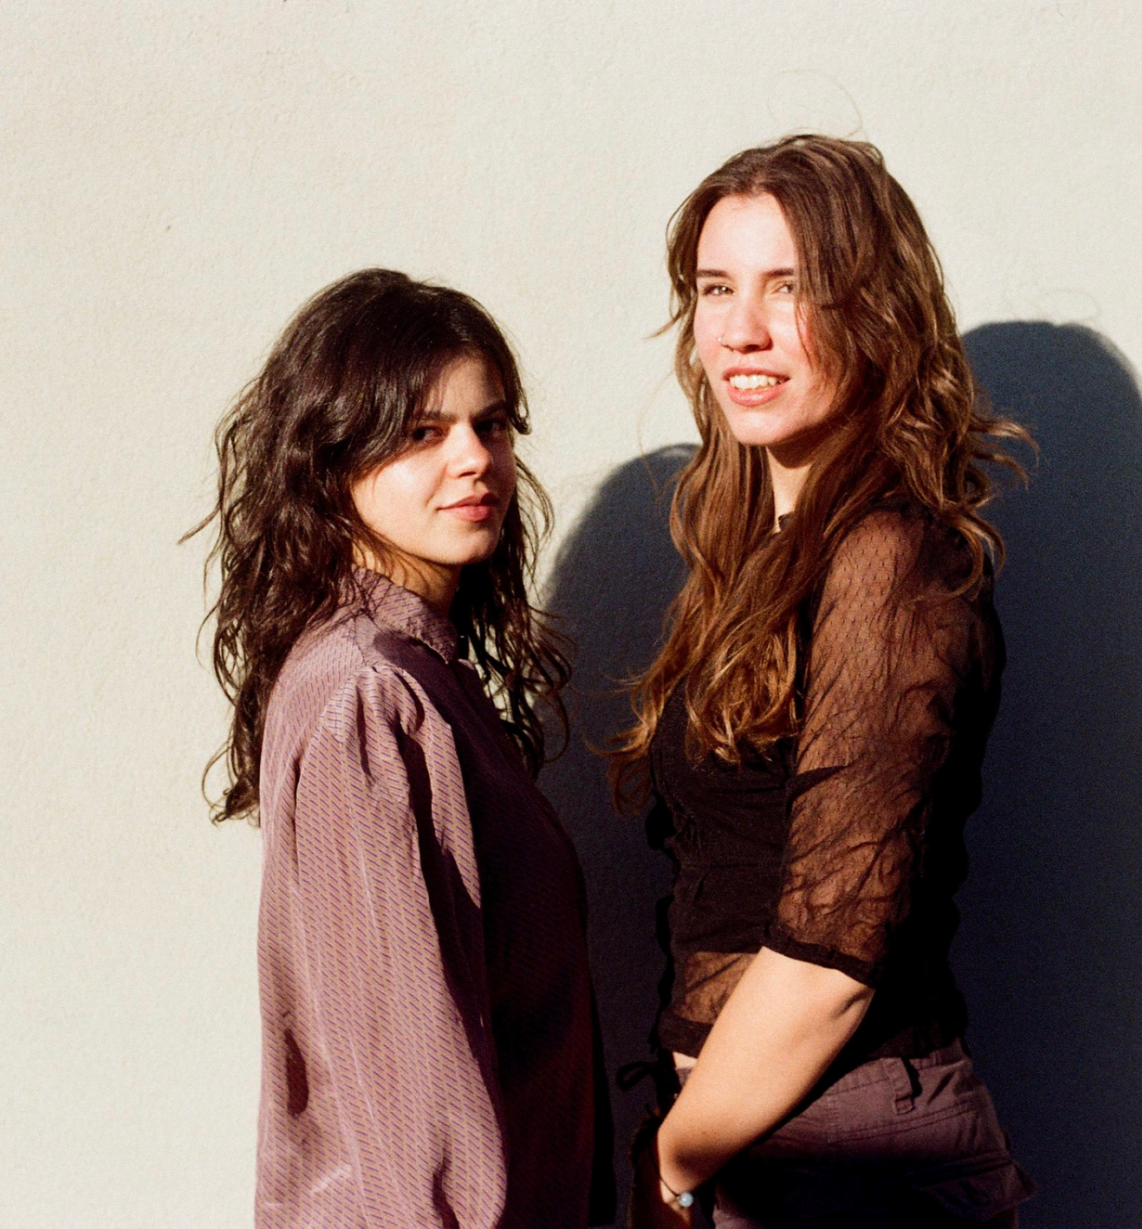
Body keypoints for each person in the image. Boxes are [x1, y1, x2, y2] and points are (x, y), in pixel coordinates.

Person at [610, 136, 1036, 1227]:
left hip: (846, 1157)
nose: (740, 329)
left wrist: (675, 1158)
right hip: (759, 1139)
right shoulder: (764, 547)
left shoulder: (889, 556)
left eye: (789, 287)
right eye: (716, 288)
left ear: (875, 314)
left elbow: (833, 954)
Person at [196, 269, 613, 1228]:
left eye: (490, 425)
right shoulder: (367, 694)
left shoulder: (418, 672)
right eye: (423, 432)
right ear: (332, 459)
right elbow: (408, 1077)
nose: (475, 459)